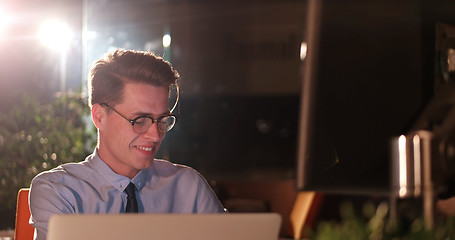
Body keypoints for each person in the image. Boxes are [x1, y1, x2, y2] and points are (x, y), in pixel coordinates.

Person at [29, 49, 225, 240]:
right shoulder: (59, 191)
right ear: (99, 117)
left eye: (162, 120)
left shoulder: (188, 187)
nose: (155, 135)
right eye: (139, 120)